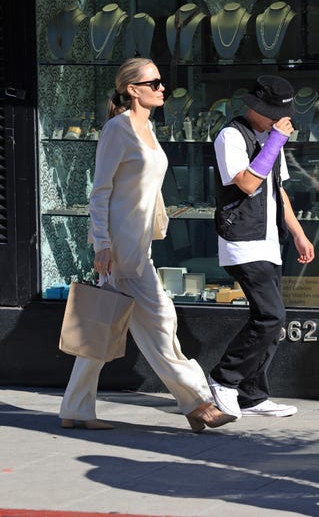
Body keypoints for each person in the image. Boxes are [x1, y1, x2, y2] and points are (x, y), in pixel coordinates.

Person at [59, 57, 236, 433]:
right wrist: (102, 244)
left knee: (104, 325)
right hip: (120, 247)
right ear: (132, 90)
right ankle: (198, 403)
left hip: (139, 244)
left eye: (161, 82)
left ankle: (75, 408)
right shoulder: (117, 129)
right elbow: (100, 191)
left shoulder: (149, 128)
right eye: (153, 83)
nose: (161, 89)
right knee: (161, 321)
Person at [208, 75, 315, 418]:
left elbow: (277, 191)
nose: (278, 120)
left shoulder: (272, 138)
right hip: (241, 241)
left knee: (269, 319)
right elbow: (247, 183)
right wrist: (276, 142)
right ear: (255, 107)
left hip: (269, 241)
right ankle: (224, 379)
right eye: (272, 113)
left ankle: (252, 394)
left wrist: (298, 233)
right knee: (271, 316)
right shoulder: (230, 136)